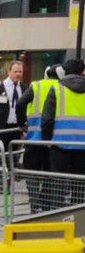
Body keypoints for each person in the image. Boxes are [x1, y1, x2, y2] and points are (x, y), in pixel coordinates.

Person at [16, 64, 64, 213]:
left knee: (32, 172)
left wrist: (22, 124)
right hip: (52, 140)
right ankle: (46, 204)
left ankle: (34, 205)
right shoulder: (62, 87)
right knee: (49, 173)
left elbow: (20, 103)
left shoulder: (35, 85)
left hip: (34, 138)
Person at [41, 58, 85, 209]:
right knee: (79, 181)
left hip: (59, 142)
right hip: (83, 143)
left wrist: (47, 139)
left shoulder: (57, 88)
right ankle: (78, 214)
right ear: (82, 71)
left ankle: (57, 212)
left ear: (65, 71)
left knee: (58, 180)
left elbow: (47, 118)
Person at [0, 60, 27, 192]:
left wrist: (24, 126)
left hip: (15, 128)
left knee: (12, 157)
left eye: (20, 72)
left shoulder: (24, 88)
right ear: (9, 72)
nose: (18, 74)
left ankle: (6, 184)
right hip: (0, 128)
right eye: (15, 71)